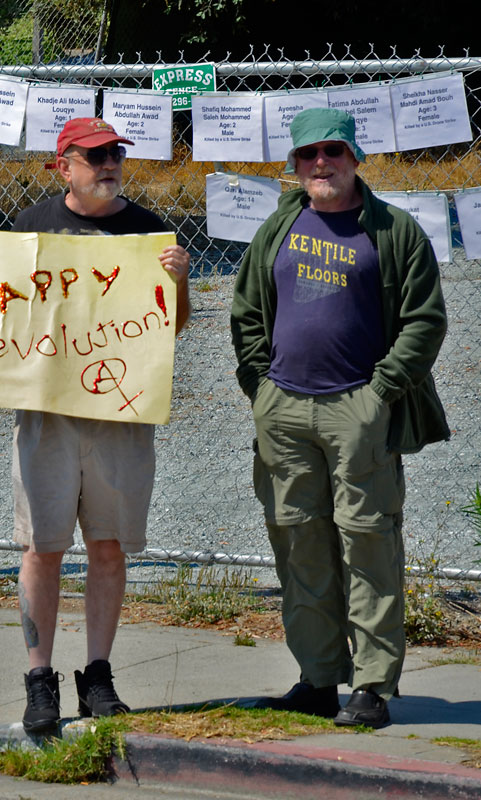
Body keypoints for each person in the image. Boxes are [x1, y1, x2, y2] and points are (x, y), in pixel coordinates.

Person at [0, 117, 191, 735]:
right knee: (42, 548)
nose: (108, 164)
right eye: (93, 155)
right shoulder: (30, 227)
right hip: (46, 416)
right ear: (62, 166)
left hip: (119, 414)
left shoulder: (147, 231)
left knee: (107, 546)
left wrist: (177, 283)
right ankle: (38, 681)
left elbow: (170, 328)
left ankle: (97, 676)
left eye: (114, 155)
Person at [230, 107, 449, 728]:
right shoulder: (280, 226)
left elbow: (424, 321)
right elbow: (246, 311)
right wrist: (260, 386)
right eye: (307, 155)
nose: (320, 163)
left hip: (358, 406)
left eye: (332, 151)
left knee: (368, 542)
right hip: (284, 409)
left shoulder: (394, 230)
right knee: (299, 542)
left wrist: (380, 391)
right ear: (294, 165)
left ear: (354, 157)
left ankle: (373, 687)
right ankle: (318, 677)